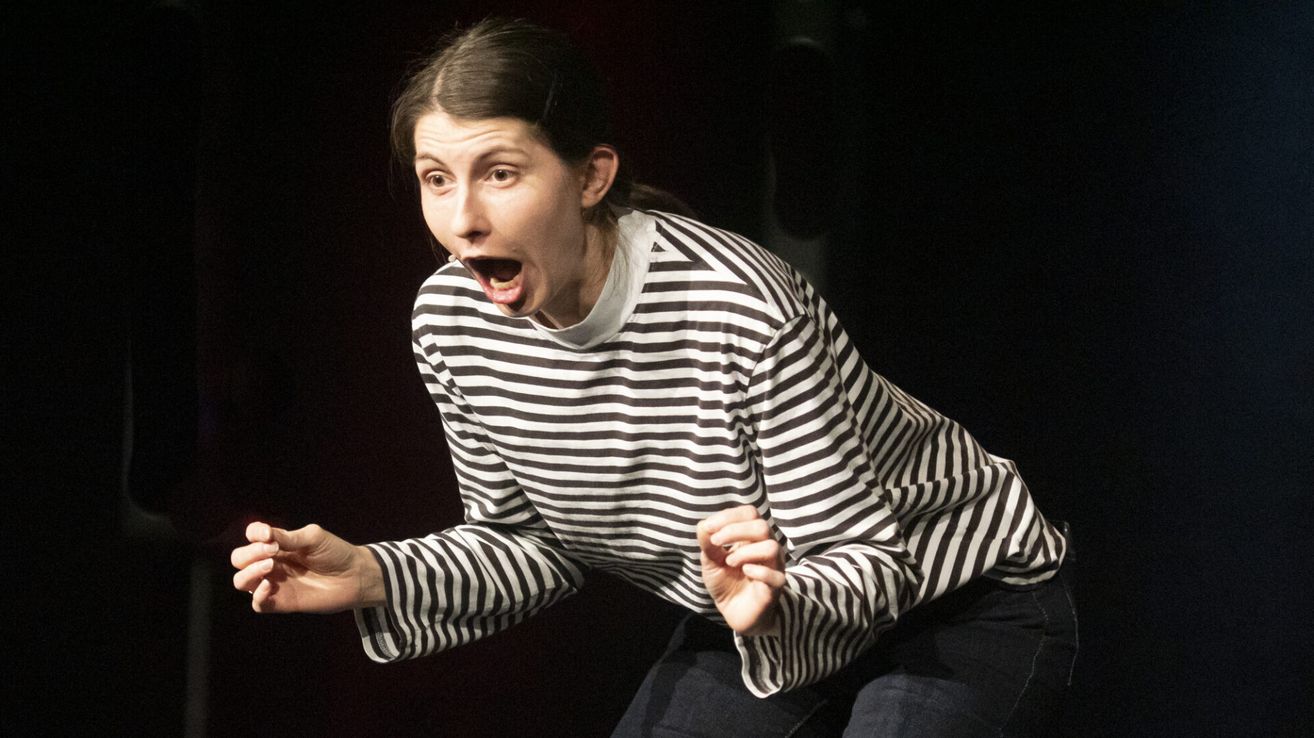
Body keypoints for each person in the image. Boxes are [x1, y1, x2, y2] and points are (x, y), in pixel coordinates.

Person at [229, 17, 1077, 736]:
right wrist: (377, 574)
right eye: (436, 180)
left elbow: (865, 557)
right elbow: (531, 547)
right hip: (752, 616)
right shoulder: (451, 323)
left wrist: (770, 608)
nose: (463, 220)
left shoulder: (739, 308)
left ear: (592, 176)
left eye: (501, 173)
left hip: (955, 595)